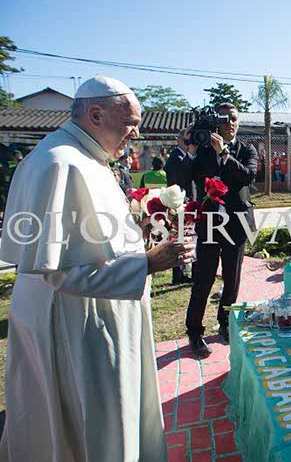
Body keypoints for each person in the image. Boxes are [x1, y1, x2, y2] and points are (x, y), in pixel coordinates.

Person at [0, 76, 194, 461]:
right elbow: (60, 272)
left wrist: (136, 234)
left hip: (89, 317)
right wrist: (148, 263)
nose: (136, 134)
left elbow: (86, 238)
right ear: (95, 114)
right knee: (90, 428)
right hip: (75, 326)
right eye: (130, 124)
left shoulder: (85, 156)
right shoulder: (60, 164)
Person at [186, 102, 257, 358]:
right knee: (203, 279)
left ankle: (226, 324)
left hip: (236, 224)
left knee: (231, 278)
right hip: (209, 223)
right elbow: (183, 177)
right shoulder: (203, 149)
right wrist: (190, 150)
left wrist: (225, 153)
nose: (230, 123)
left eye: (234, 118)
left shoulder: (246, 149)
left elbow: (248, 176)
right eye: (224, 119)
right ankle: (194, 332)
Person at [164, 128, 196, 285]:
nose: (188, 144)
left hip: (185, 202)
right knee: (179, 238)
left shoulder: (182, 156)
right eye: (186, 141)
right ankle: (178, 274)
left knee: (186, 237)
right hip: (179, 203)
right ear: (179, 141)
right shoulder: (176, 157)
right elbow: (178, 181)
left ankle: (183, 272)